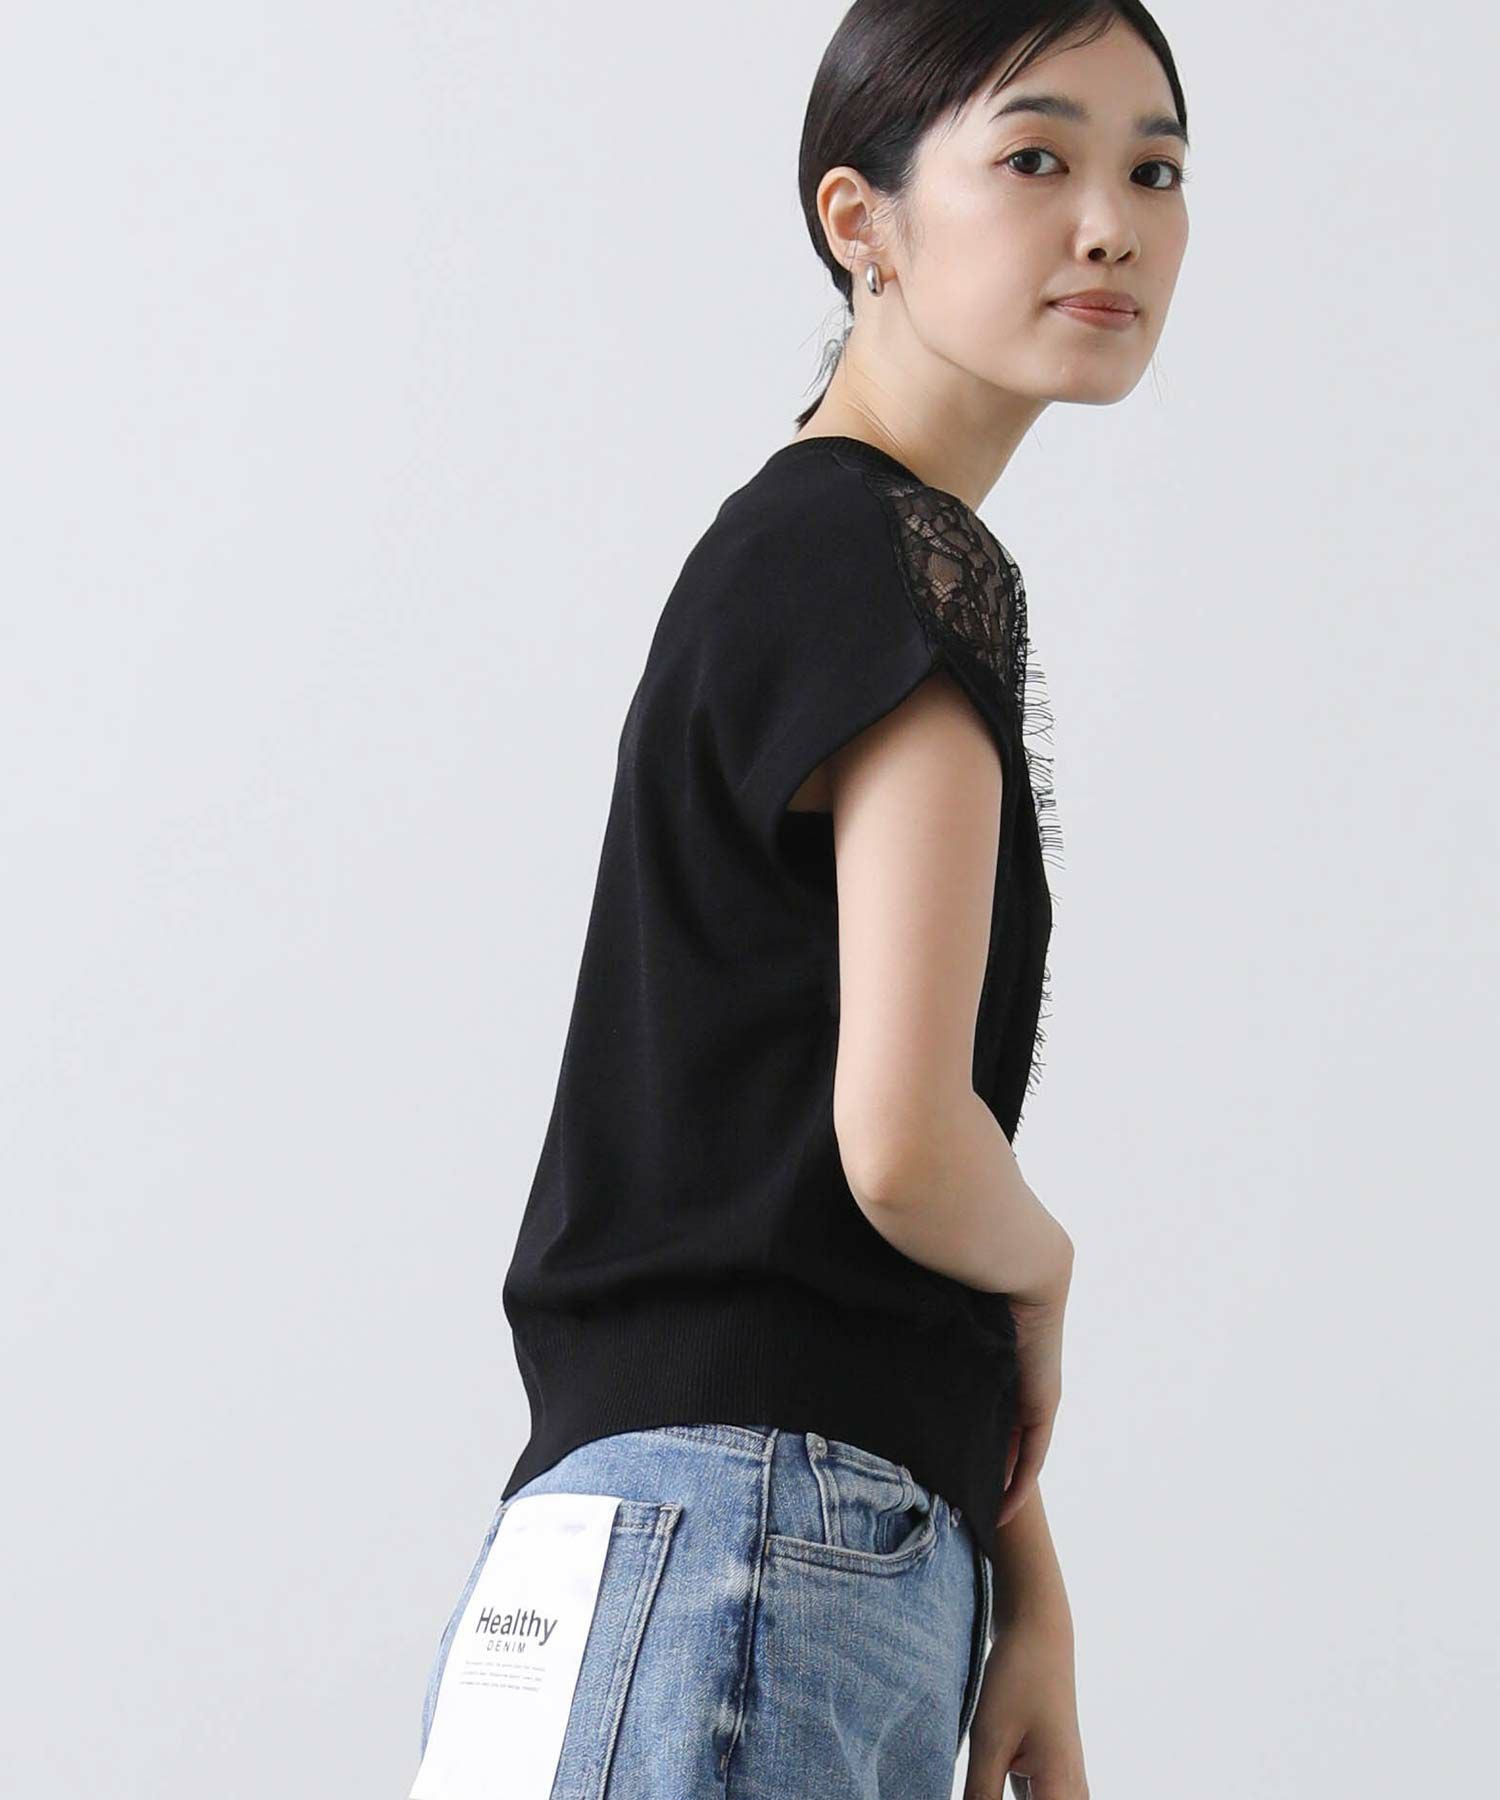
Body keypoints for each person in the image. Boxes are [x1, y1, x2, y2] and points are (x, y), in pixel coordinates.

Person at [416, 4, 1189, 1796]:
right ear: (862, 219)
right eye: (1037, 158)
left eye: (1155, 172)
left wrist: (1019, 1565)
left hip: (618, 1553)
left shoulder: (785, 551)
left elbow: (777, 1193)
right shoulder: (902, 559)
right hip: (754, 1551)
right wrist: (1049, 1272)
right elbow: (902, 1148)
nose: (1110, 225)